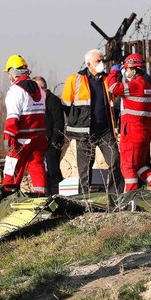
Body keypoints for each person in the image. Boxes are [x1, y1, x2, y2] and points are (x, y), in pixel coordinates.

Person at [61, 49, 122, 194]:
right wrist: (77, 122)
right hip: (84, 131)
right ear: (88, 63)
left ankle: (114, 195)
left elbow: (115, 104)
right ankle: (85, 198)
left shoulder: (107, 80)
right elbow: (66, 104)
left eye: (102, 60)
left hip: (105, 130)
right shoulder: (74, 79)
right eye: (98, 61)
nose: (102, 64)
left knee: (115, 160)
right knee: (85, 168)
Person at [107, 54, 151, 192]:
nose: (126, 73)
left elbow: (112, 88)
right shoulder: (148, 86)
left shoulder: (134, 86)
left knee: (128, 167)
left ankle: (130, 199)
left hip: (132, 134)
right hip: (145, 132)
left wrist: (114, 71)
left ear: (134, 70)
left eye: (127, 69)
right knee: (140, 165)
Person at [1, 55, 47, 194]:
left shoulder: (15, 91)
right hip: (39, 137)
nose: (8, 76)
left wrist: (8, 138)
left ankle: (7, 197)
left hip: (22, 139)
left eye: (8, 73)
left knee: (12, 168)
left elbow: (12, 118)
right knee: (37, 167)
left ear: (13, 72)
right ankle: (41, 198)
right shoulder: (39, 89)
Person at [33, 76, 66, 195]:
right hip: (41, 144)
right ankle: (47, 196)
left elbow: (59, 123)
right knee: (43, 173)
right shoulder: (38, 102)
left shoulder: (53, 100)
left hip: (52, 144)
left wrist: (54, 142)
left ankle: (58, 195)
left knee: (53, 172)